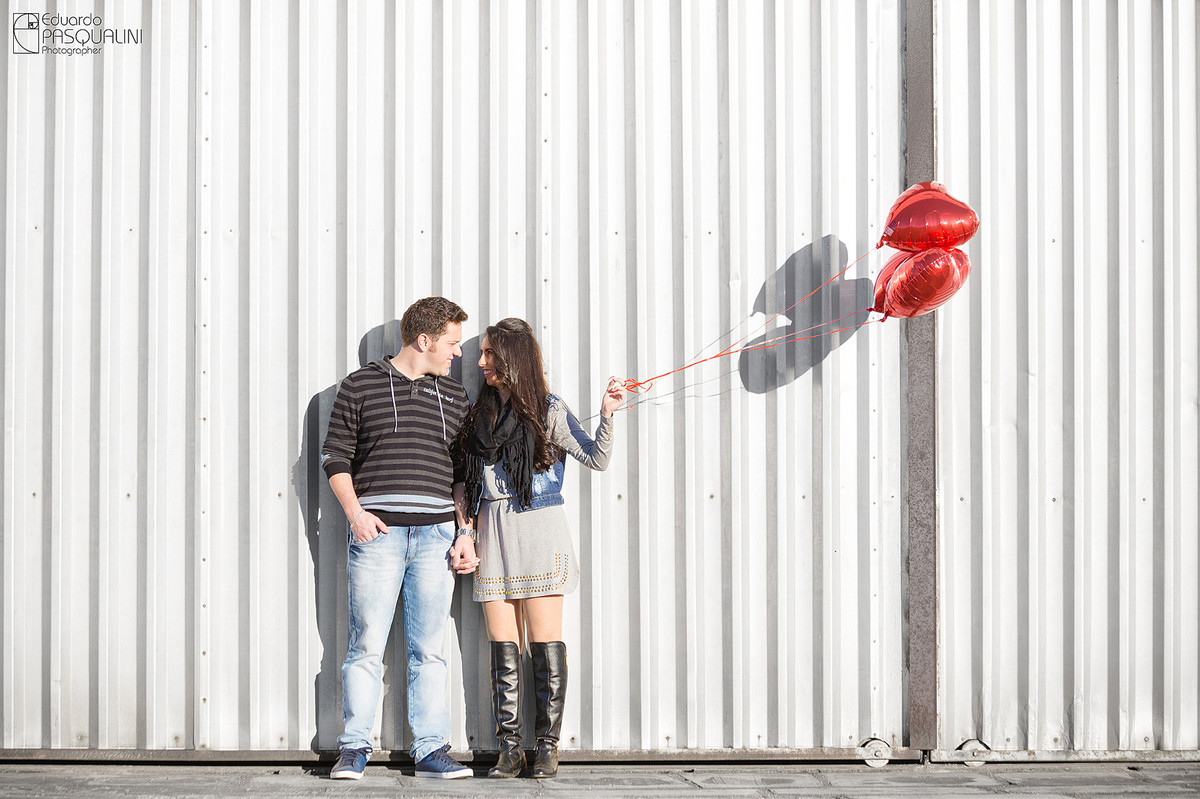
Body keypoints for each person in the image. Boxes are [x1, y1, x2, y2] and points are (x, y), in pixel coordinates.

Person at [452, 317, 626, 779]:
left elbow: (597, 457)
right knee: (502, 646)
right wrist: (463, 530)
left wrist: (606, 414)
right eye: (481, 353)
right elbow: (464, 484)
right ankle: (510, 747)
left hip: (540, 529)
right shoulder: (478, 414)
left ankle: (546, 746)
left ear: (514, 357)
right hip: (493, 532)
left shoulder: (548, 410)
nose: (481, 362)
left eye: (490, 354)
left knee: (544, 644)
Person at [321, 296, 481, 781]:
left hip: (436, 537)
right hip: (379, 536)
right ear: (424, 340)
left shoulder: (454, 397)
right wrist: (356, 515)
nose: (457, 354)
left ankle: (431, 750)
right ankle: (353, 747)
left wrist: (465, 532)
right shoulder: (359, 386)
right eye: (452, 344)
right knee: (365, 643)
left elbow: (462, 474)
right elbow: (335, 458)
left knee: (428, 649)